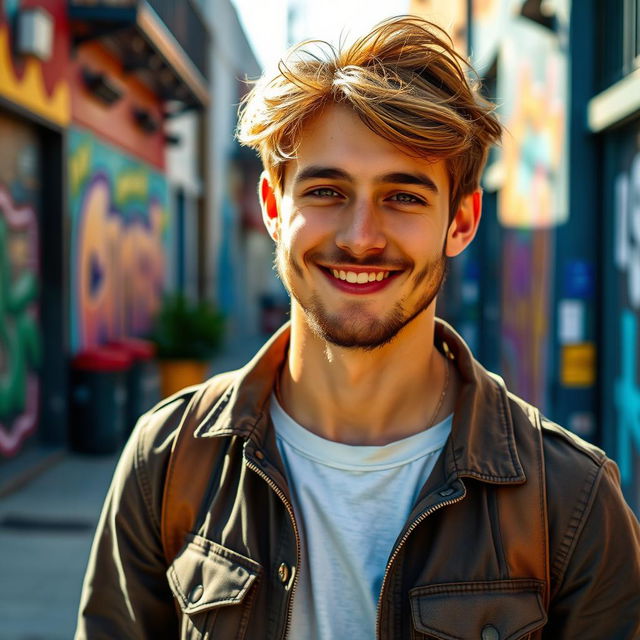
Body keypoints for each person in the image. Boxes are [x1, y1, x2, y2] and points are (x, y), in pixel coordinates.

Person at [76, 16, 640, 640]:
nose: (360, 238)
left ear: (461, 221)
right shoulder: (169, 458)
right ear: (272, 206)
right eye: (325, 191)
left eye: (403, 197)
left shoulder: (570, 499)